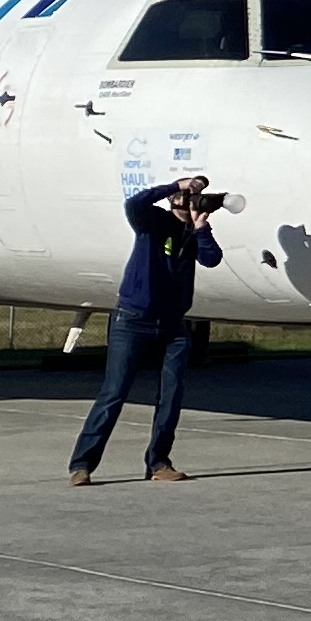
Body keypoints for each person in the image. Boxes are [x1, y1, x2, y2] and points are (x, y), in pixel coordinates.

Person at [69, 173, 220, 483]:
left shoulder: (193, 234)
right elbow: (134, 202)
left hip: (174, 326)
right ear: (173, 198)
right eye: (186, 194)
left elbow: (212, 259)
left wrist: (201, 227)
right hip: (133, 319)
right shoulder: (151, 221)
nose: (190, 199)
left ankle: (158, 463)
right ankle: (81, 465)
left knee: (172, 395)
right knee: (114, 394)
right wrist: (176, 186)